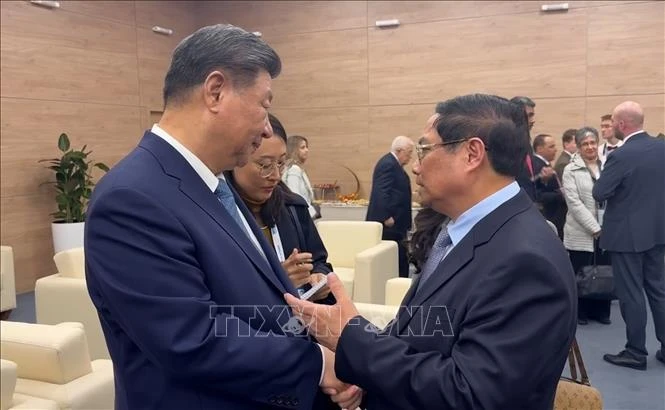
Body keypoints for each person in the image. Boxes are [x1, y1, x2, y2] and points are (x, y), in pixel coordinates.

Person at [84, 24, 360, 409]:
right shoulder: (133, 197)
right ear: (216, 91)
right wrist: (318, 365)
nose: (267, 128)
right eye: (265, 105)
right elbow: (190, 339)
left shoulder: (213, 185)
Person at [286, 94, 577, 410]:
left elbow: (472, 396)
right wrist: (364, 370)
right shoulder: (460, 231)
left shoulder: (525, 259)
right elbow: (415, 339)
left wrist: (352, 340)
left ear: (472, 154)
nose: (415, 166)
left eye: (424, 149)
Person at [227, 113, 333, 302]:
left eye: (281, 163)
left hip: (301, 324)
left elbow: (320, 262)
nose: (275, 175)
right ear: (235, 160)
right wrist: (277, 282)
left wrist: (318, 278)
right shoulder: (218, 214)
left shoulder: (293, 207)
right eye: (265, 165)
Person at [593, 101, 665, 370]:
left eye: (612, 122)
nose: (611, 127)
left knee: (631, 294)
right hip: (658, 232)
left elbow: (600, 192)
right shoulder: (662, 147)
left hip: (626, 236)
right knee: (659, 291)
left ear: (622, 124)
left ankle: (635, 352)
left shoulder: (621, 156)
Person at [562, 127, 611, 325]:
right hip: (581, 230)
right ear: (579, 147)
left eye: (593, 143)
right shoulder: (570, 169)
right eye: (585, 144)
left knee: (604, 269)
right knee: (582, 271)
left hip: (608, 227)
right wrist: (594, 227)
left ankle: (601, 311)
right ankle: (581, 312)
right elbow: (573, 203)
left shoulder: (608, 165)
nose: (590, 147)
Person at [366, 135, 415, 278]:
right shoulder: (388, 164)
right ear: (399, 150)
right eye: (409, 153)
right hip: (389, 226)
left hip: (397, 224)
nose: (410, 157)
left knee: (400, 258)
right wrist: (386, 216)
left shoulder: (394, 165)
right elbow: (381, 192)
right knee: (393, 259)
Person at [532, 133, 567, 238]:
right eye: (551, 147)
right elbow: (536, 194)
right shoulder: (537, 166)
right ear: (539, 149)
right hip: (549, 216)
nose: (555, 150)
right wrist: (560, 194)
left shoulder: (545, 164)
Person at [510, 96, 539, 202]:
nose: (533, 120)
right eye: (529, 115)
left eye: (533, 115)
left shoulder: (526, 140)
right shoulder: (507, 142)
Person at [283, 135, 318, 218]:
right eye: (302, 147)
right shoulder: (294, 169)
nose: (307, 150)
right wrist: (312, 212)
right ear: (293, 150)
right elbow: (295, 195)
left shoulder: (294, 168)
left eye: (306, 147)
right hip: (300, 216)